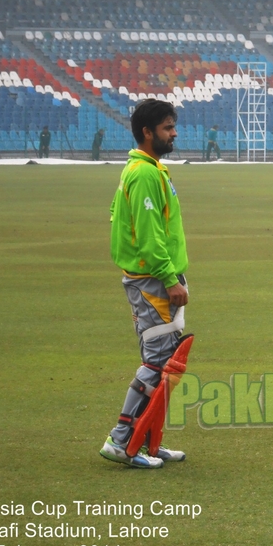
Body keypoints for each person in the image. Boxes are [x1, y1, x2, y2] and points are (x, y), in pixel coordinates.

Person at [100, 99, 189, 469]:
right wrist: (169, 278)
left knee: (167, 361)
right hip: (152, 281)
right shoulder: (144, 174)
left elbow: (116, 217)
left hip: (156, 278)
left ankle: (149, 440)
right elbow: (149, 236)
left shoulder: (147, 170)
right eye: (168, 128)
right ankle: (121, 441)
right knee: (156, 363)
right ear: (147, 132)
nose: (174, 133)